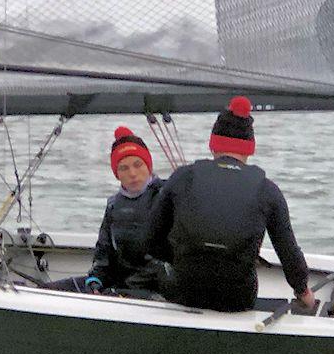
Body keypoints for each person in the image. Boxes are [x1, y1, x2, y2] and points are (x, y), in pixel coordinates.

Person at [147, 96, 315, 312]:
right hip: (236, 299)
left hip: (184, 292)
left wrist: (181, 258)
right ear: (249, 148)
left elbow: (150, 240)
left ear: (213, 144)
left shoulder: (182, 177)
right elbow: (289, 253)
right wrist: (304, 293)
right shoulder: (267, 190)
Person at [44, 126, 164, 294]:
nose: (133, 173)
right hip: (118, 286)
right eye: (124, 168)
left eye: (138, 165)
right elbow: (103, 255)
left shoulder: (166, 197)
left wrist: (128, 288)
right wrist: (95, 279)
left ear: (149, 166)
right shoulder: (114, 206)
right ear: (117, 174)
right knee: (49, 291)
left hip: (154, 289)